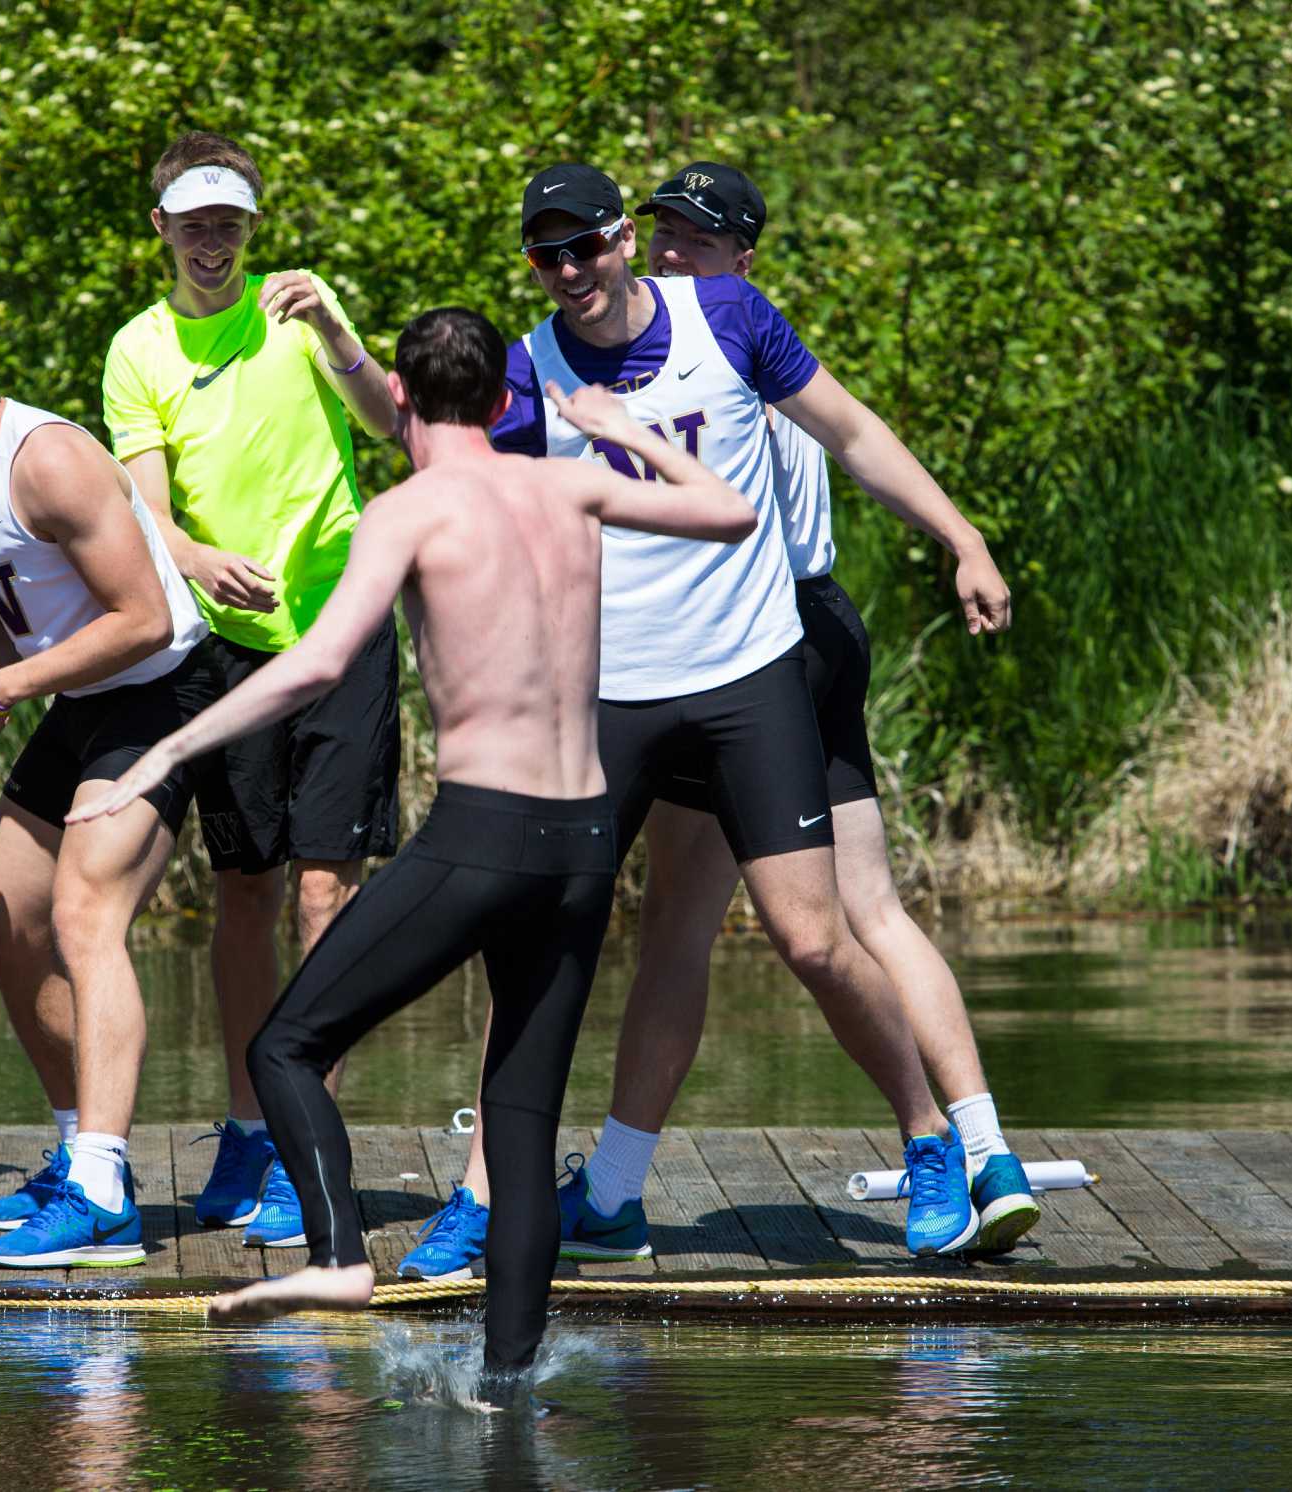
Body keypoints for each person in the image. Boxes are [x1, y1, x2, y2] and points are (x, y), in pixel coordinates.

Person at [71, 307, 756, 1389]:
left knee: (283, 1047)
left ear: (396, 396)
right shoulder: (569, 483)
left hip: (482, 831)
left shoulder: (403, 510)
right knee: (522, 1121)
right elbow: (726, 510)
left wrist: (166, 753)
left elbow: (312, 664)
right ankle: (507, 1384)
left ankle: (341, 1256)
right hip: (582, 842)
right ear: (499, 402)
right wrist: (620, 426)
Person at [401, 164, 1033, 1281]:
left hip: (749, 680)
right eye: (544, 258)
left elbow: (852, 432)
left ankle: (930, 1140)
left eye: (585, 248)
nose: (568, 274)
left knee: (812, 936)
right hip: (604, 697)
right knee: (538, 949)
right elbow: (444, 461)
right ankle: (489, 1200)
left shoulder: (725, 314)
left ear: (617, 243)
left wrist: (961, 538)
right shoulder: (525, 367)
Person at [100, 132, 402, 1249]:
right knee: (244, 887)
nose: (213, 240)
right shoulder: (136, 347)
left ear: (250, 225)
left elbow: (388, 424)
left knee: (326, 889)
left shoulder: (302, 314)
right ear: (162, 230)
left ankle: (302, 1130)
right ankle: (245, 1125)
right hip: (225, 646)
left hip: (341, 621)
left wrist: (334, 330)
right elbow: (145, 508)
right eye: (193, 222)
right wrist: (188, 556)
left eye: (228, 220)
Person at [0, 279, 210, 1265]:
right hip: (78, 698)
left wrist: (4, 693)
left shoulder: (52, 459)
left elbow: (145, 617)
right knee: (0, 921)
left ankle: (106, 1190)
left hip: (162, 691)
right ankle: (78, 1152)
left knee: (83, 913)